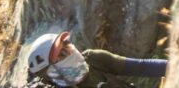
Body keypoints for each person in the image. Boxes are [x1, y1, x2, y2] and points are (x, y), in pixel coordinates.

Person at [26, 29, 166, 87]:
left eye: (67, 45)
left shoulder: (93, 59)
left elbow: (141, 67)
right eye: (61, 54)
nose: (70, 52)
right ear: (50, 73)